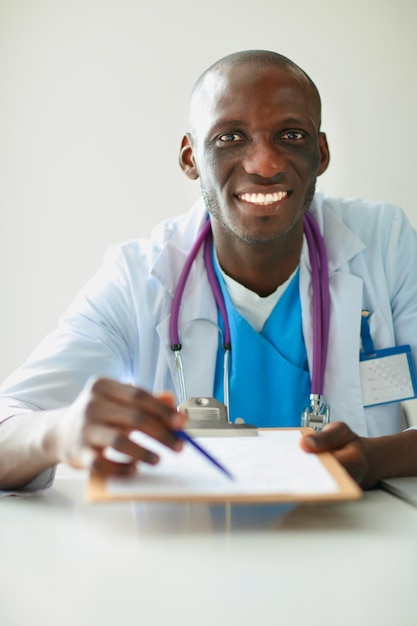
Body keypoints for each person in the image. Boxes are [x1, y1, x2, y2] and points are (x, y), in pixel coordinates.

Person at [1, 49, 417, 493]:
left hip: (358, 542)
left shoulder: (384, 243)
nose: (265, 164)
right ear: (190, 158)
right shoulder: (139, 277)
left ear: (321, 151)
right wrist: (59, 431)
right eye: (230, 138)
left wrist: (373, 458)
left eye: (291, 134)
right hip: (188, 546)